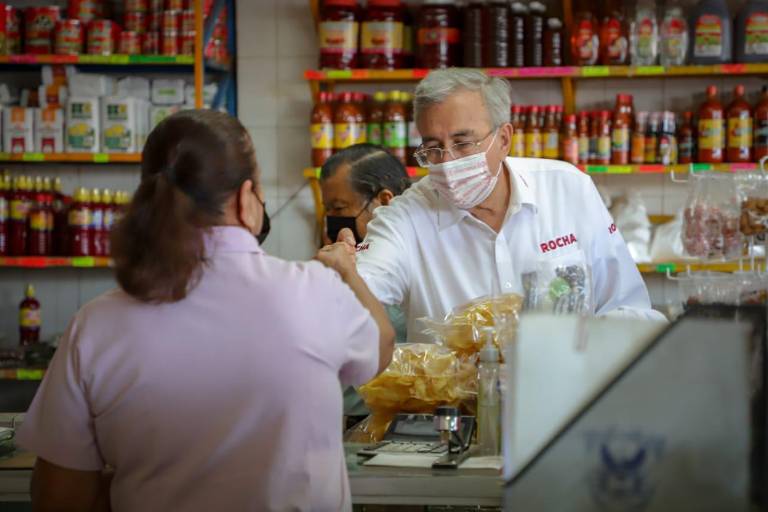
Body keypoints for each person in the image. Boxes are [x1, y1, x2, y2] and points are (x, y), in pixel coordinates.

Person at [17, 110, 394, 511]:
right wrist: (347, 270)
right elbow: (380, 347)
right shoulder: (314, 291)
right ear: (245, 199)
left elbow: (59, 497)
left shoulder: (95, 324)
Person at [337, 69, 666, 341]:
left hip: (568, 399)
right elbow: (359, 294)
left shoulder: (567, 187)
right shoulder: (405, 218)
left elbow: (629, 308)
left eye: (463, 143)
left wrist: (578, 347)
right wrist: (339, 273)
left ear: (504, 139)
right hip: (456, 414)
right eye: (433, 148)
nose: (447, 162)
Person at [319, 143, 410, 422]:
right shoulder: (336, 262)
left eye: (340, 208)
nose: (332, 220)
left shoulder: (407, 265)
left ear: (384, 202)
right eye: (328, 210)